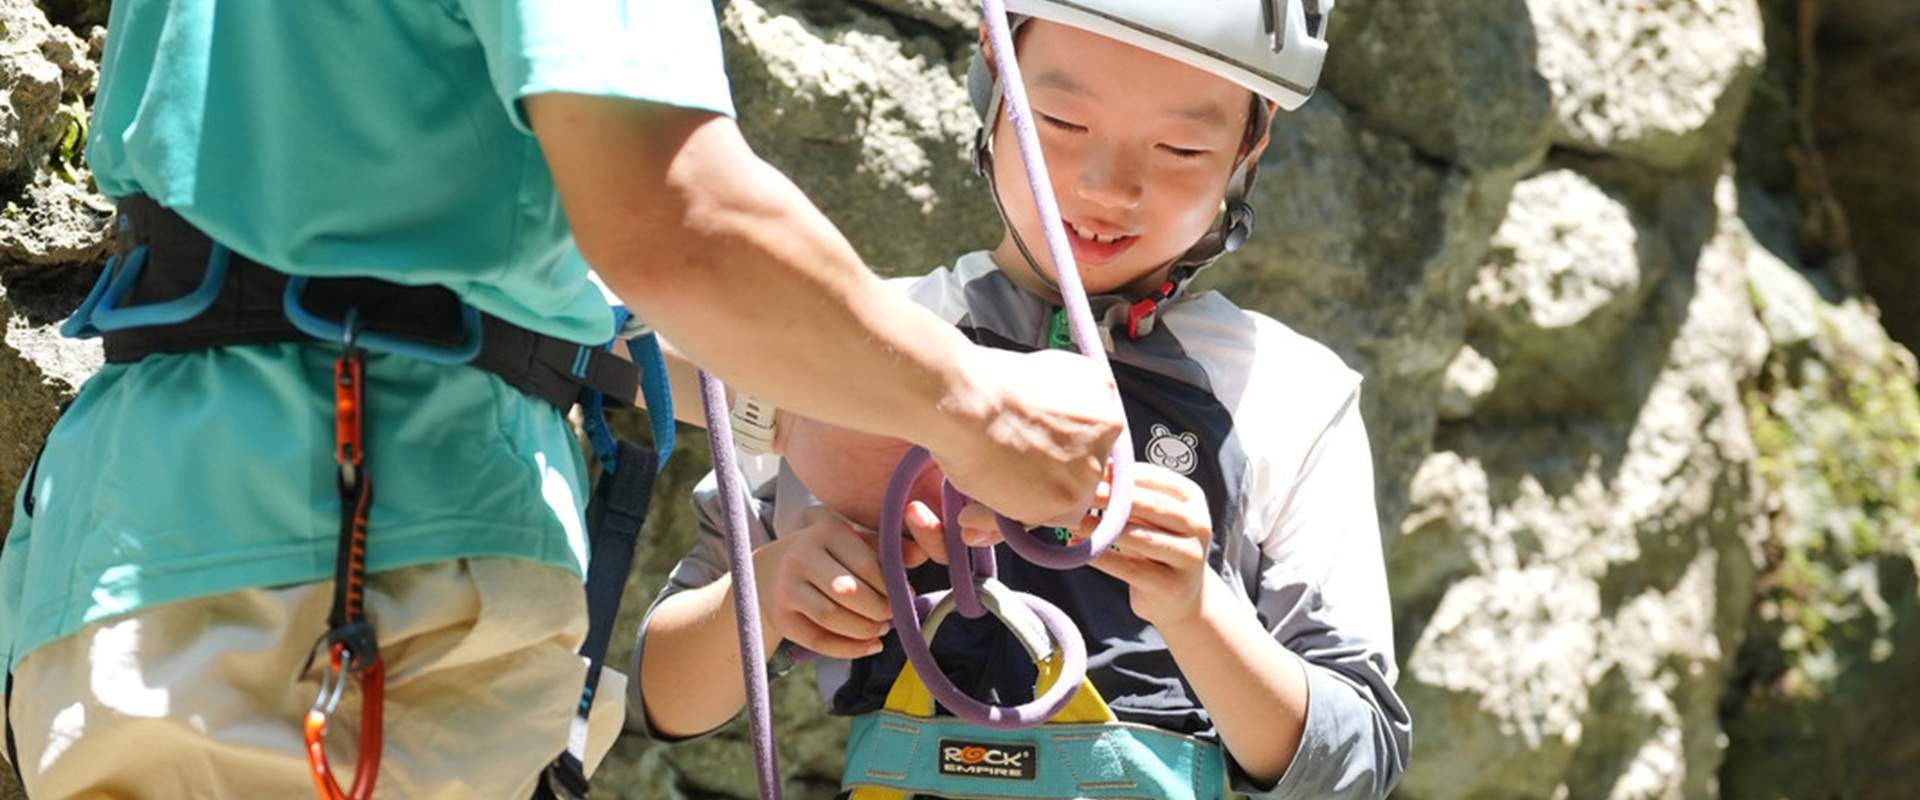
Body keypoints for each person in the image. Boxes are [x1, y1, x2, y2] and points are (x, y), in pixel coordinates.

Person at [0, 2, 1128, 797]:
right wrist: (974, 406)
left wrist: (810, 409)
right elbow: (674, 214)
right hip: (343, 573)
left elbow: (422, 242)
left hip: (176, 541)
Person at [632, 2, 1412, 798]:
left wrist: (1196, 608)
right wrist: (768, 590)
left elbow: (1357, 758)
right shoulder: (862, 347)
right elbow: (663, 691)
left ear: (1253, 140)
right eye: (1062, 122)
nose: (1109, 188)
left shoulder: (1289, 393)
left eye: (1181, 147)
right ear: (994, 70)